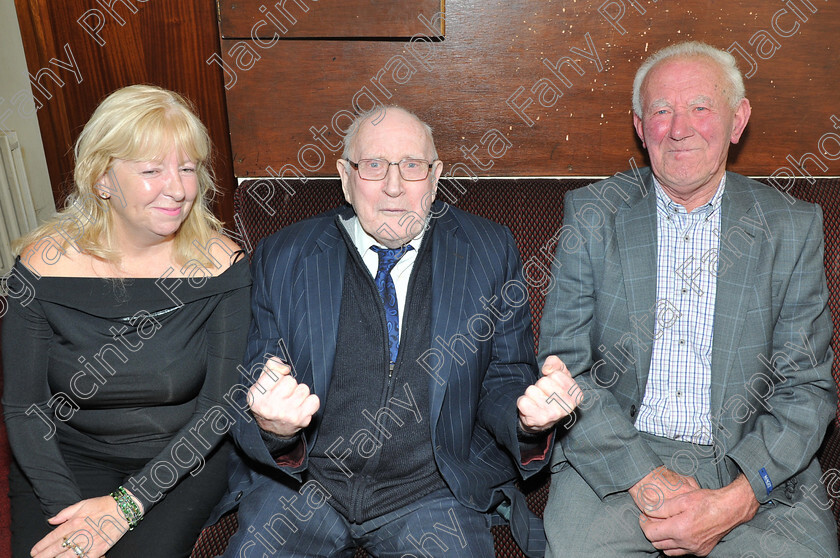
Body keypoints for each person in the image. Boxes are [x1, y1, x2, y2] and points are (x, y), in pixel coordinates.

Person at [207, 105, 579, 557]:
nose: (394, 186)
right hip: (303, 486)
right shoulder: (283, 256)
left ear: (436, 176)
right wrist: (273, 428)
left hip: (432, 491)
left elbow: (505, 378)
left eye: (412, 166)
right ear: (345, 177)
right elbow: (248, 387)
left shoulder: (488, 250)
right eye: (374, 165)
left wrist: (528, 420)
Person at [539, 40, 839, 557]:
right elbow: (567, 372)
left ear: (737, 120)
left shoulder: (790, 226)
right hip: (616, 463)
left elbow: (807, 389)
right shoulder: (592, 216)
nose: (679, 128)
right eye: (661, 111)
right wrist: (646, 480)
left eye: (701, 107)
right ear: (640, 126)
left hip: (749, 466)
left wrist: (736, 500)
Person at [1, 85, 251, 558]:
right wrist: (69, 514)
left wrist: (125, 507)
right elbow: (23, 408)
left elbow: (219, 409)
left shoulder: (221, 264)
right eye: (152, 170)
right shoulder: (42, 266)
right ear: (102, 179)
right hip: (64, 456)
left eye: (187, 168)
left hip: (181, 460)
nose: (177, 189)